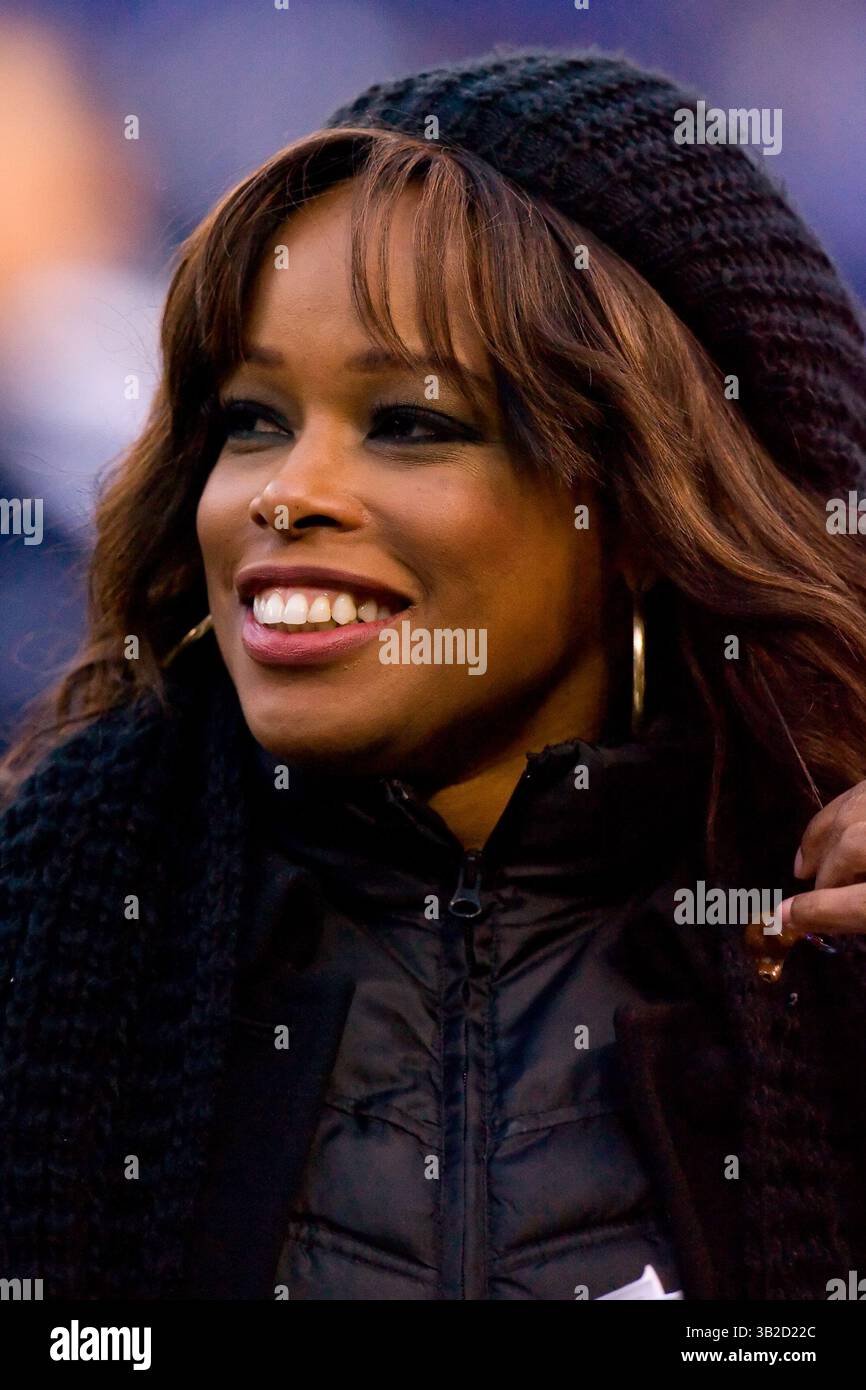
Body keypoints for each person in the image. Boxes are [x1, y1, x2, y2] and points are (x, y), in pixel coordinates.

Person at [3, 48, 866, 1302]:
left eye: (409, 423)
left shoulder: (829, 954)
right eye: (251, 420)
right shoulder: (52, 935)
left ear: (644, 507)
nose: (286, 493)